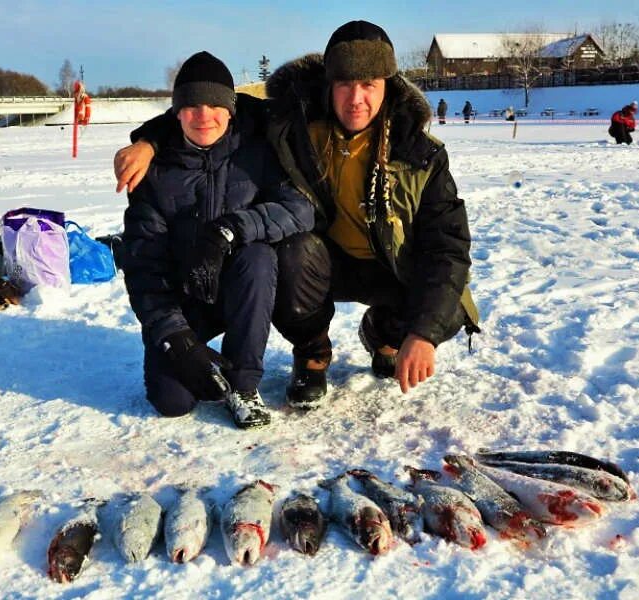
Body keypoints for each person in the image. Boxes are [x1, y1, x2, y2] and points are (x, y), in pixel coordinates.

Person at [115, 21, 480, 410]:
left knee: (451, 306)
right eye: (344, 83)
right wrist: (150, 141)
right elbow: (211, 107)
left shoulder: (421, 152)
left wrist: (423, 333)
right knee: (287, 251)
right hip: (322, 261)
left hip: (392, 267)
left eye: (369, 84)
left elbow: (449, 249)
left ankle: (387, 336)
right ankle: (312, 354)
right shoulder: (296, 121)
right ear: (328, 84)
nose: (356, 98)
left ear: (388, 85)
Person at [119, 51, 314, 429]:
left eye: (214, 104)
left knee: (257, 256)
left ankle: (243, 384)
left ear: (230, 108)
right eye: (191, 105)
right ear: (176, 112)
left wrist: (230, 229)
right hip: (184, 297)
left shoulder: (259, 149)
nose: (203, 115)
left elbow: (299, 209)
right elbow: (142, 263)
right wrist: (177, 339)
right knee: (172, 401)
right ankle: (191, 347)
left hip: (237, 288)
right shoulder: (154, 170)